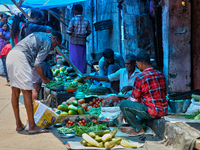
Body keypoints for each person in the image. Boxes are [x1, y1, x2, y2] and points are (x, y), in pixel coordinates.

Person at [6, 31, 62, 133]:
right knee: (27, 92)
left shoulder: (42, 35)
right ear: (54, 39)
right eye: (56, 44)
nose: (54, 47)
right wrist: (45, 79)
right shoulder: (48, 42)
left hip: (12, 55)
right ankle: (32, 126)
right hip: (21, 58)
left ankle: (19, 124)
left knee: (15, 91)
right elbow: (38, 64)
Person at [119, 52, 168, 135]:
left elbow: (135, 99)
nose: (137, 66)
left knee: (123, 104)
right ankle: (141, 123)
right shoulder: (161, 74)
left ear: (140, 64)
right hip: (163, 110)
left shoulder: (140, 77)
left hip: (151, 111)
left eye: (137, 64)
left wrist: (124, 111)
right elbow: (164, 93)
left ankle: (138, 129)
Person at [20, 9, 52, 102]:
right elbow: (49, 29)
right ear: (37, 18)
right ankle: (33, 110)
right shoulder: (32, 26)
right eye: (41, 19)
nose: (42, 21)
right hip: (32, 58)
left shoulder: (24, 26)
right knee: (36, 86)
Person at [67, 4, 91, 73]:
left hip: (74, 42)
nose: (73, 11)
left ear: (76, 11)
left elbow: (69, 31)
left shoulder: (73, 19)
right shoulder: (86, 20)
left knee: (73, 59)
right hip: (82, 42)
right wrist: (84, 35)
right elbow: (89, 31)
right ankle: (81, 73)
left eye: (74, 10)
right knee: (81, 58)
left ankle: (73, 73)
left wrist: (73, 35)